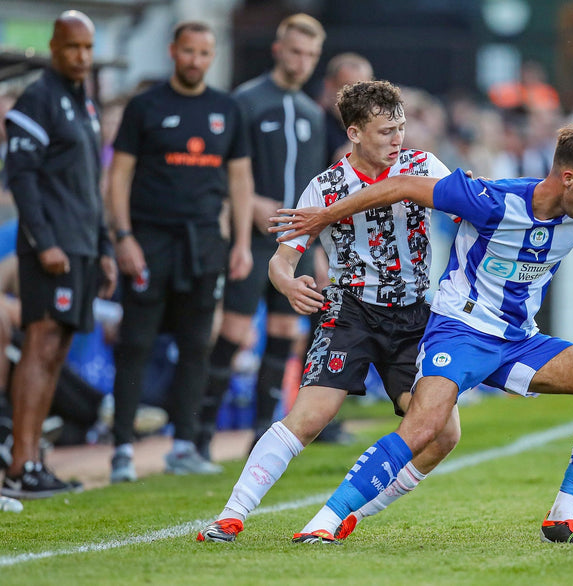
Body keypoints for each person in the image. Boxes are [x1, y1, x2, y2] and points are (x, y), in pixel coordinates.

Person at [269, 123, 573, 544]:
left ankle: (562, 515)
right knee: (425, 427)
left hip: (518, 340)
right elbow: (406, 185)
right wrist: (324, 215)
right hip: (459, 330)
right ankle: (325, 520)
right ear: (568, 179)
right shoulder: (493, 200)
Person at [197, 80, 460, 543]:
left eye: (400, 127)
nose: (398, 139)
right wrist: (287, 284)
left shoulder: (424, 166)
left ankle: (347, 514)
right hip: (350, 310)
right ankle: (230, 515)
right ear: (355, 133)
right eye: (385, 131)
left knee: (443, 433)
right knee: (309, 418)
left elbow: (469, 209)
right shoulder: (325, 187)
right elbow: (281, 260)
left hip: (415, 316)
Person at [107, 21, 253, 482]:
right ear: (173, 51)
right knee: (136, 343)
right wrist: (123, 237)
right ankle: (122, 449)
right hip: (149, 241)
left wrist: (241, 243)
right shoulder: (145, 106)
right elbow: (119, 176)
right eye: (187, 51)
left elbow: (240, 180)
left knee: (196, 345)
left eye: (203, 53)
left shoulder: (226, 109)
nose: (195, 60)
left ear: (212, 56)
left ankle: (185, 444)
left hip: (205, 243)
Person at [195, 13, 328, 459]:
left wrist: (320, 245)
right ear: (277, 49)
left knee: (286, 330)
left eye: (311, 54)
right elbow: (219, 166)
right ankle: (197, 437)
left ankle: (260, 438)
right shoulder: (246, 101)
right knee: (232, 331)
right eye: (295, 51)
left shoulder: (312, 112)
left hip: (298, 241)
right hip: (250, 239)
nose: (302, 61)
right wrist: (250, 204)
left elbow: (319, 184)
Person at [0, 11, 117, 500]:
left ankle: (32, 461)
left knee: (57, 350)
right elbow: (22, 178)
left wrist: (105, 247)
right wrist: (44, 241)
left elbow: (89, 185)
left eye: (88, 49)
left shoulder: (83, 102)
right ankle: (20, 463)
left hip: (82, 247)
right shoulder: (38, 98)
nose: (82, 57)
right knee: (39, 346)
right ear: (53, 47)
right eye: (73, 48)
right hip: (52, 248)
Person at [317, 53, 373, 162]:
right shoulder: (318, 122)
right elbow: (343, 161)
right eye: (347, 87)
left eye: (363, 88)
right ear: (329, 85)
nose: (356, 95)